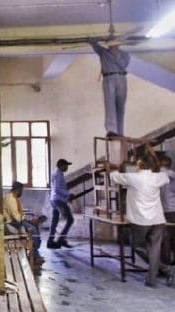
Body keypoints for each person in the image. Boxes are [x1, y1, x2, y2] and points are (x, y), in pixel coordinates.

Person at [111, 154, 170, 287]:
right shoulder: (158, 177)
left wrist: (114, 168)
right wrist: (157, 168)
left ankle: (165, 269)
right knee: (154, 249)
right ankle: (152, 279)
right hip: (157, 219)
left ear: (140, 164)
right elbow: (165, 177)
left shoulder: (133, 177)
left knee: (136, 246)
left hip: (141, 220)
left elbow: (114, 176)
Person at [88, 38, 130, 137]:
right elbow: (94, 44)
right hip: (108, 78)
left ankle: (120, 132)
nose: (113, 47)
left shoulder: (125, 54)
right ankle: (112, 130)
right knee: (109, 103)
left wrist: (116, 55)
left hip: (121, 77)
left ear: (118, 45)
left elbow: (123, 64)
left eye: (115, 45)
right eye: (111, 45)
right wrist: (96, 38)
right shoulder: (103, 52)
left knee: (120, 106)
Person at [3, 181, 45, 266]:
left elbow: (18, 214)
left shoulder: (13, 197)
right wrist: (29, 221)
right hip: (11, 222)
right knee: (33, 229)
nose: (22, 193)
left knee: (34, 226)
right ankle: (35, 255)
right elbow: (16, 217)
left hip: (15, 220)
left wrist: (28, 219)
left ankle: (35, 253)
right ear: (18, 190)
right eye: (21, 190)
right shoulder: (10, 199)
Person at [47, 158, 75, 249]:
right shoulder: (58, 175)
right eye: (66, 165)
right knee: (70, 219)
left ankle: (50, 242)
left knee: (55, 221)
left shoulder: (55, 173)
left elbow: (57, 189)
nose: (67, 167)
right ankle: (61, 240)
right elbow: (57, 189)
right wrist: (68, 194)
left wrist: (67, 197)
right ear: (61, 166)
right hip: (58, 200)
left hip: (54, 200)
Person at [159, 156, 175, 265]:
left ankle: (166, 262)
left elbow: (165, 173)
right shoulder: (170, 175)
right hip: (169, 210)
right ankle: (168, 261)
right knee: (170, 237)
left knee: (166, 238)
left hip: (167, 211)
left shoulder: (165, 175)